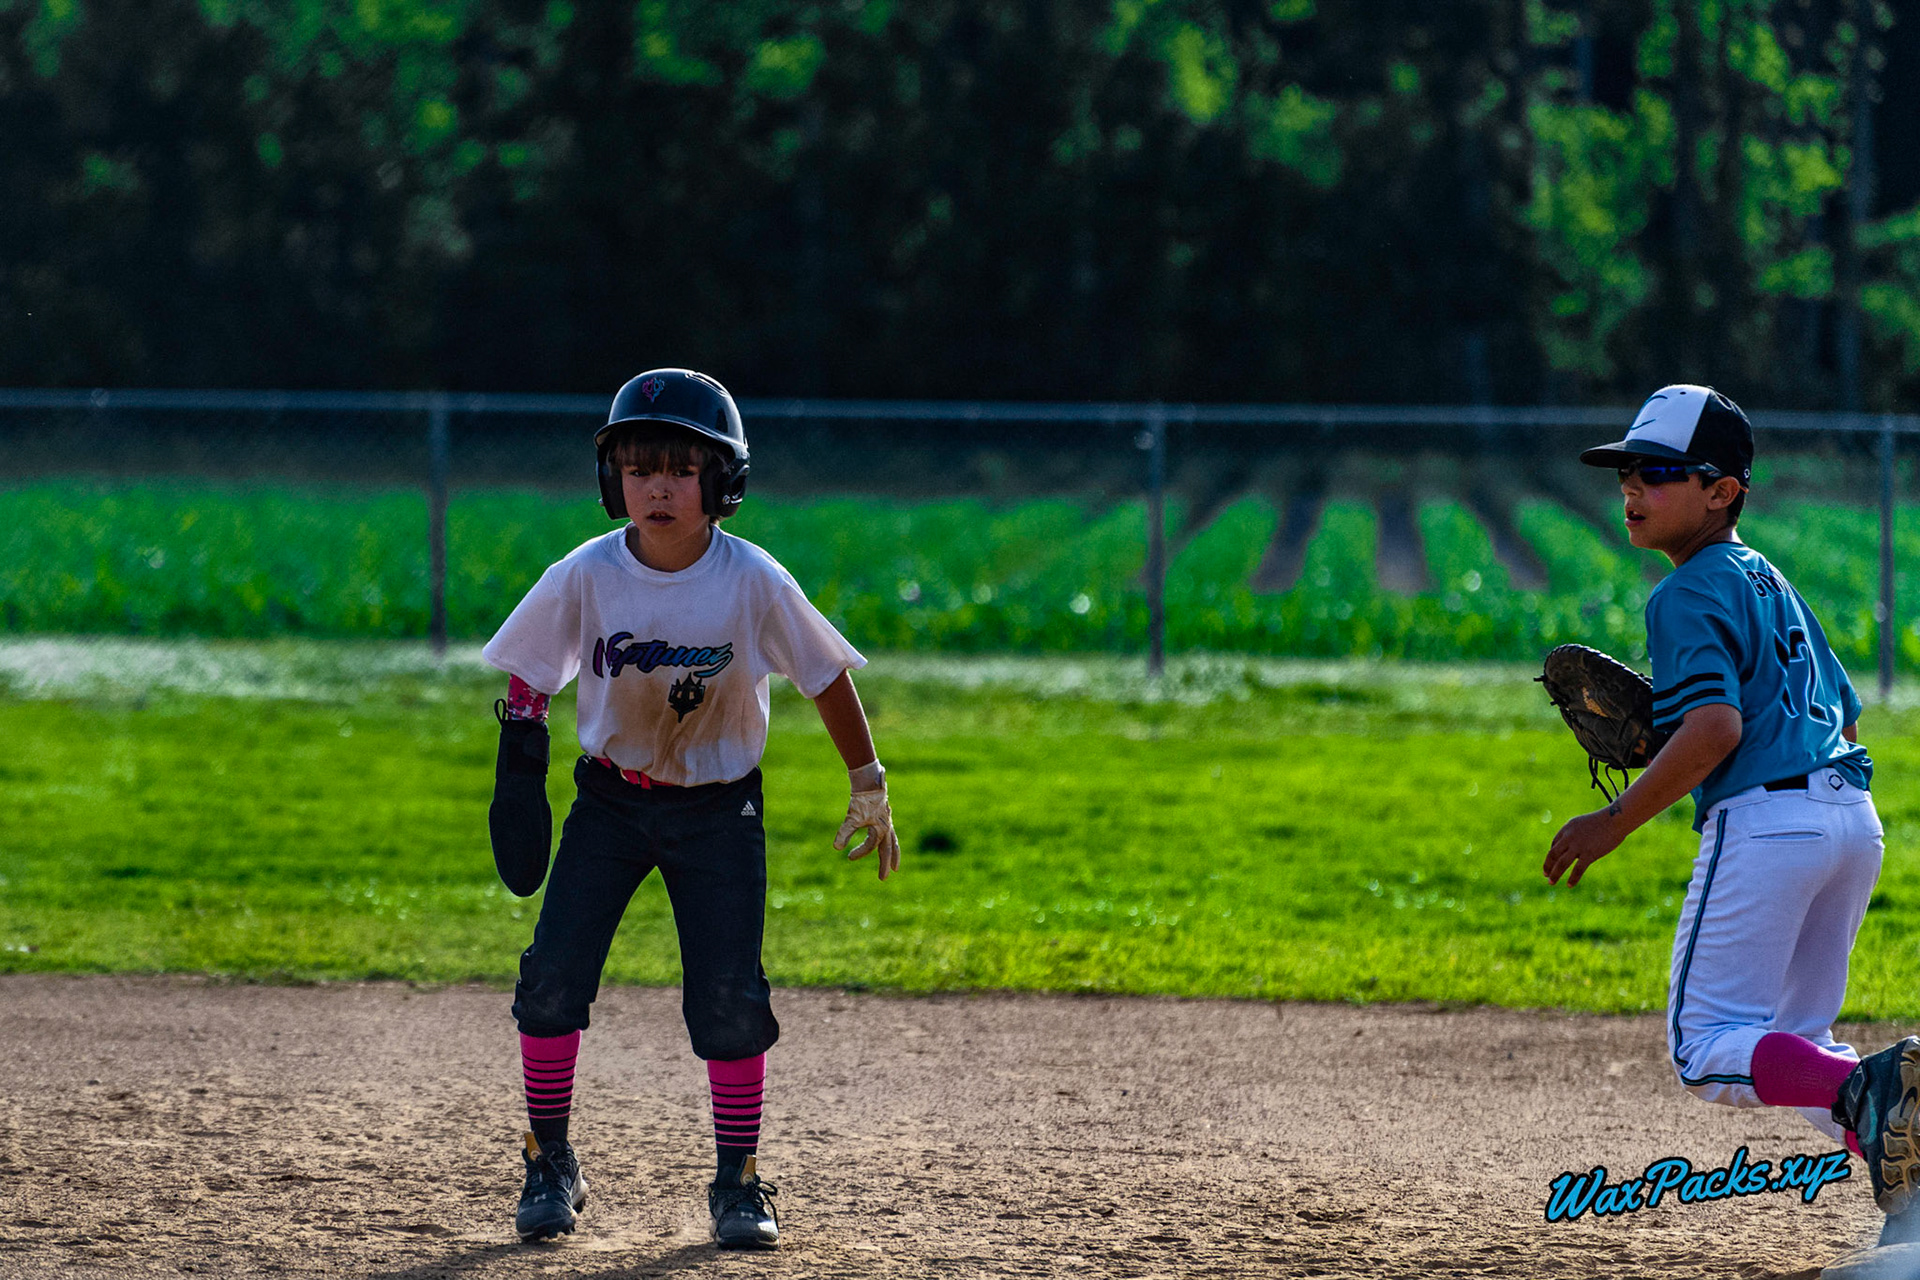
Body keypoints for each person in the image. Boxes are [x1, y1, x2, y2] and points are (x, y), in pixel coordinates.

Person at [481, 368, 901, 1249]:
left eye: (681, 468)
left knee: (729, 999)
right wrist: (520, 758)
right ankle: (549, 1159)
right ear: (613, 484)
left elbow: (825, 676)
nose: (659, 487)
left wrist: (869, 782)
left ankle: (739, 1181)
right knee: (551, 978)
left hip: (719, 811)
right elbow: (531, 667)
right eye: (639, 468)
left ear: (723, 484)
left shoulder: (751, 580)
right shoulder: (587, 574)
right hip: (611, 803)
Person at [1543, 384, 1920, 1221]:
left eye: (1662, 472)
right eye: (1627, 474)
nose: (1634, 489)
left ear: (1724, 491)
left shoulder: (1680, 593)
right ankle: (1909, 1152)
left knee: (1709, 1049)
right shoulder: (1772, 582)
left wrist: (1613, 820)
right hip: (1851, 819)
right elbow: (1844, 711)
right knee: (1801, 1044)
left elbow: (1714, 727)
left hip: (1767, 824)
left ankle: (1880, 1086)